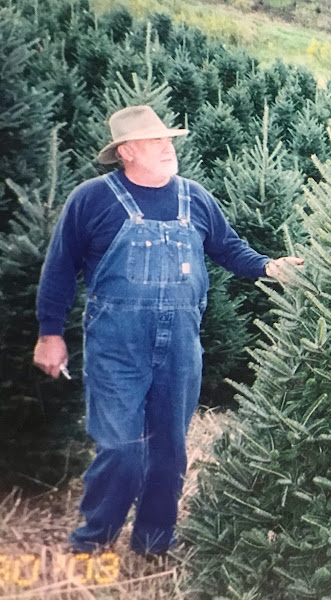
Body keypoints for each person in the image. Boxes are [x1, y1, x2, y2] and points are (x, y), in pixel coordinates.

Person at [33, 105, 303, 556]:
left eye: (168, 139)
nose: (167, 147)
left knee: (170, 449)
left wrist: (269, 266)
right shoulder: (92, 199)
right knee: (120, 448)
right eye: (154, 140)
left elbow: (227, 247)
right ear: (126, 152)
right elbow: (60, 267)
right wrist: (50, 333)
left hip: (180, 345)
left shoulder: (195, 198)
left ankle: (154, 541)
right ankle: (93, 540)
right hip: (116, 345)